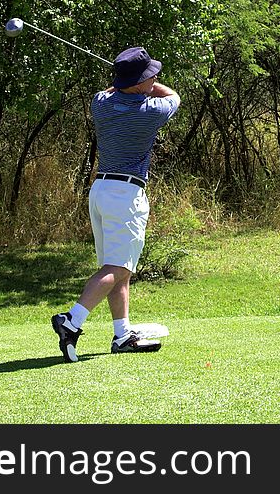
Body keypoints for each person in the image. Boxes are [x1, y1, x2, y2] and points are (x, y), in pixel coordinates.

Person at [51, 46, 180, 362]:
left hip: (100, 191)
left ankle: (122, 335)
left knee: (117, 269)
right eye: (149, 75)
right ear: (139, 82)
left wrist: (127, 79)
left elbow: (111, 90)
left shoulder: (101, 105)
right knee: (119, 267)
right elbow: (173, 96)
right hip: (125, 195)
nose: (154, 79)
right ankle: (72, 321)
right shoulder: (150, 111)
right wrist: (146, 81)